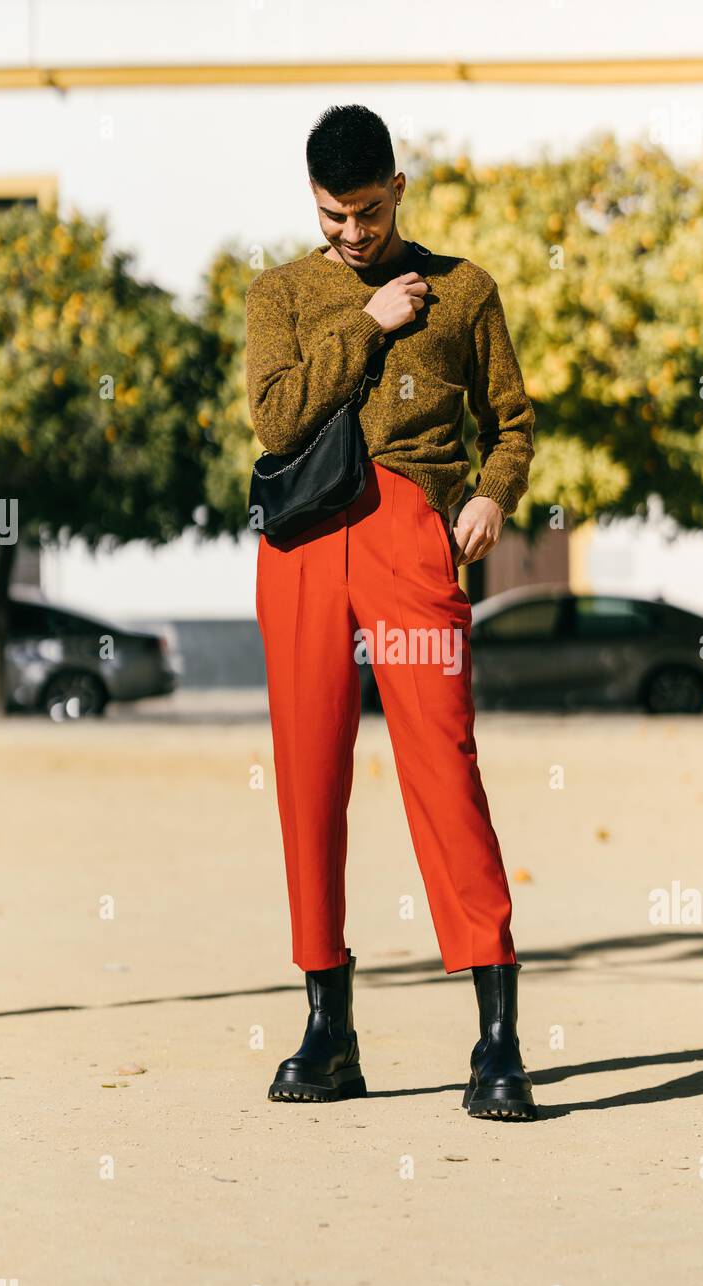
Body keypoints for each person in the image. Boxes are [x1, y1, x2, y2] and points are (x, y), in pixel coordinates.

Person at [246, 104, 537, 1120]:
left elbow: (509, 420)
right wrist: (362, 323)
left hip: (410, 532)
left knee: (441, 763)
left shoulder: (464, 292)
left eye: (365, 215)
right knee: (305, 777)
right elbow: (278, 415)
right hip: (301, 548)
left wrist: (493, 491)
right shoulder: (280, 293)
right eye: (331, 217)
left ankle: (496, 1034)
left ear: (396, 190)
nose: (349, 236)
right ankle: (329, 1028)